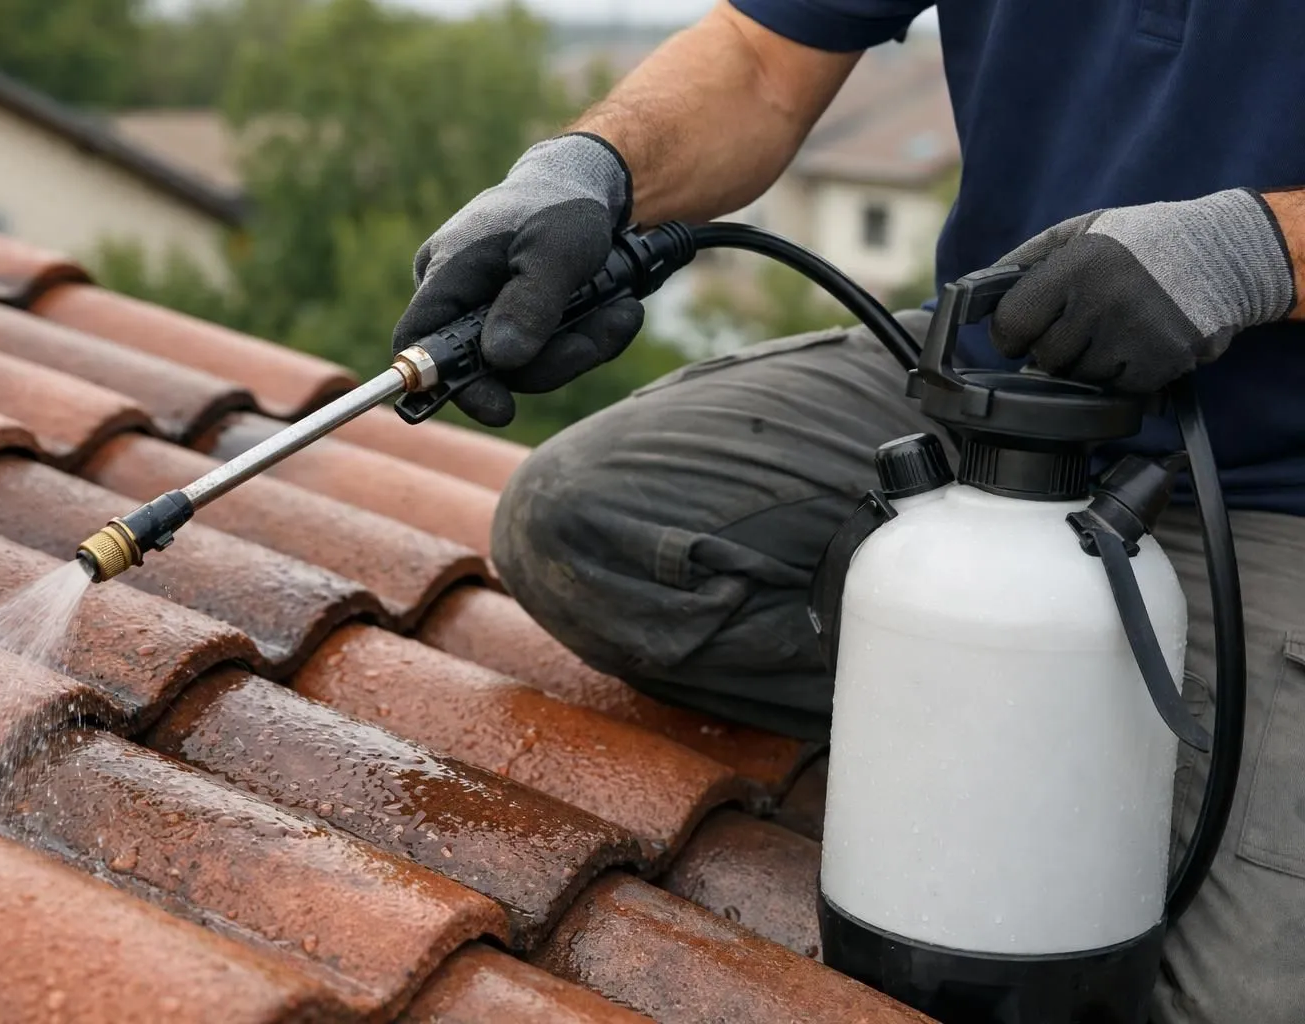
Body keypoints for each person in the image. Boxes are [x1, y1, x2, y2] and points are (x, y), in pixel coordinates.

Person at [391, 3, 1305, 1021]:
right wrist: (588, 170)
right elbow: (761, 60)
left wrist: (1255, 249)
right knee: (585, 525)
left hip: (1281, 493)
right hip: (992, 385)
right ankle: (1060, 721)